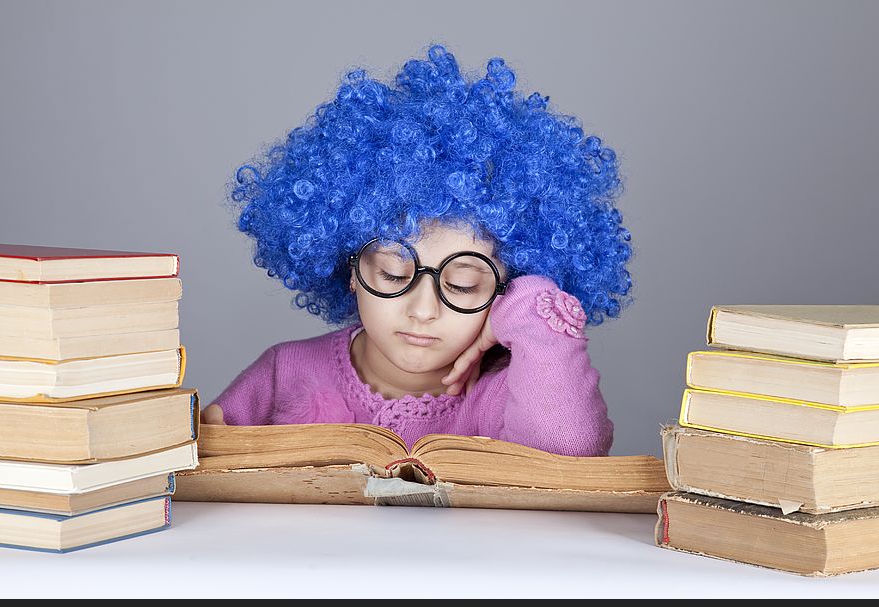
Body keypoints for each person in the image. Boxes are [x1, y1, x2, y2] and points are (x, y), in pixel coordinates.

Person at [201, 44, 633, 457]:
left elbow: (568, 450)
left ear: (505, 285)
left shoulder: (505, 391)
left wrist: (527, 307)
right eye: (393, 274)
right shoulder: (285, 372)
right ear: (349, 267)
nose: (423, 310)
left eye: (464, 285)